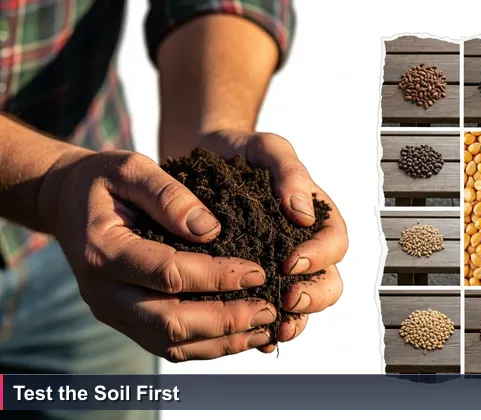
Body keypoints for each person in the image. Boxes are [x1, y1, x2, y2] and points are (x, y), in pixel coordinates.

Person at [0, 2, 347, 419]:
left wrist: (210, 129)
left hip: (102, 241)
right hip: (77, 212)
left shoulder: (109, 231)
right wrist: (53, 185)